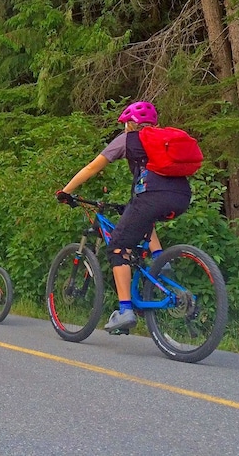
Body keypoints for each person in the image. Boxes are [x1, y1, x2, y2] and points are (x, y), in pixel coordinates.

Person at [55, 100, 191, 332]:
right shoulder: (165, 140)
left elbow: (91, 168)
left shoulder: (127, 139)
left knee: (117, 246)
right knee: (142, 218)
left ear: (129, 123)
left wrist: (66, 191)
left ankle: (125, 310)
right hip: (181, 197)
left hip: (150, 196)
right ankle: (161, 263)